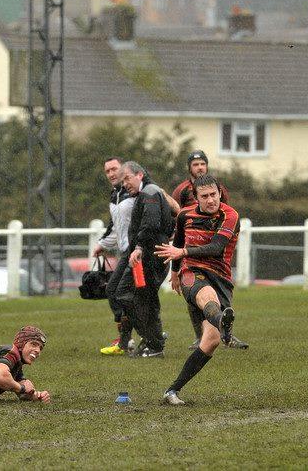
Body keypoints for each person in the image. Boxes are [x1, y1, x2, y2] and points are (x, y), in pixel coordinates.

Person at [155, 174, 240, 405]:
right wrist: (174, 272)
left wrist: (181, 253)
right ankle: (223, 320)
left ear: (220, 193)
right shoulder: (185, 215)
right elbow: (179, 244)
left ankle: (172, 390)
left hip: (221, 276)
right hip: (192, 272)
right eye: (205, 196)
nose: (211, 200)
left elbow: (216, 247)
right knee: (207, 297)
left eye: (214, 194)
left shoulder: (230, 215)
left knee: (210, 341)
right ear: (196, 197)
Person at [171, 150, 248, 351]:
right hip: (191, 256)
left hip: (214, 254)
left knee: (219, 304)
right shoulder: (181, 195)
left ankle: (225, 332)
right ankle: (202, 336)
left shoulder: (223, 200)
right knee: (196, 292)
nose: (199, 167)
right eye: (195, 164)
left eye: (202, 163)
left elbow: (224, 221)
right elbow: (178, 230)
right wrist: (175, 269)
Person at [116, 161, 173, 358]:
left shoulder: (149, 192)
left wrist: (139, 246)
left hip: (150, 257)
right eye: (122, 181)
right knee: (139, 297)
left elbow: (150, 223)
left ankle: (155, 343)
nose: (124, 184)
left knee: (130, 294)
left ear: (139, 174)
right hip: (148, 256)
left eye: (127, 179)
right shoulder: (149, 192)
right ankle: (153, 339)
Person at [92, 157, 137, 355]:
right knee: (117, 291)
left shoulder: (136, 192)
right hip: (126, 252)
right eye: (107, 171)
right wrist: (102, 244)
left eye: (114, 169)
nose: (111, 174)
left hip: (138, 252)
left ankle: (137, 338)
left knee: (119, 291)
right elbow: (115, 227)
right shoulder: (115, 194)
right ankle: (130, 338)